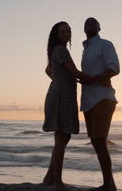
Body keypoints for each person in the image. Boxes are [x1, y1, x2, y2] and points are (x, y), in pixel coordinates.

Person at [42, 21, 90, 190]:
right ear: (56, 34)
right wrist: (97, 80)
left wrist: (59, 79)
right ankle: (57, 181)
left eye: (69, 31)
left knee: (63, 137)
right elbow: (75, 72)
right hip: (61, 97)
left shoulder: (56, 51)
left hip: (61, 94)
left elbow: (49, 70)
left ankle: (49, 176)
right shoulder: (61, 51)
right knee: (62, 138)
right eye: (63, 31)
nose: (67, 34)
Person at [80, 18, 120, 191]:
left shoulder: (105, 44)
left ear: (99, 28)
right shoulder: (86, 49)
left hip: (103, 98)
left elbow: (114, 68)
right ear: (83, 29)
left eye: (93, 22)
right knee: (95, 141)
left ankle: (109, 185)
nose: (89, 24)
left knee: (100, 140)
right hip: (88, 100)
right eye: (86, 23)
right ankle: (108, 183)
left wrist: (93, 80)